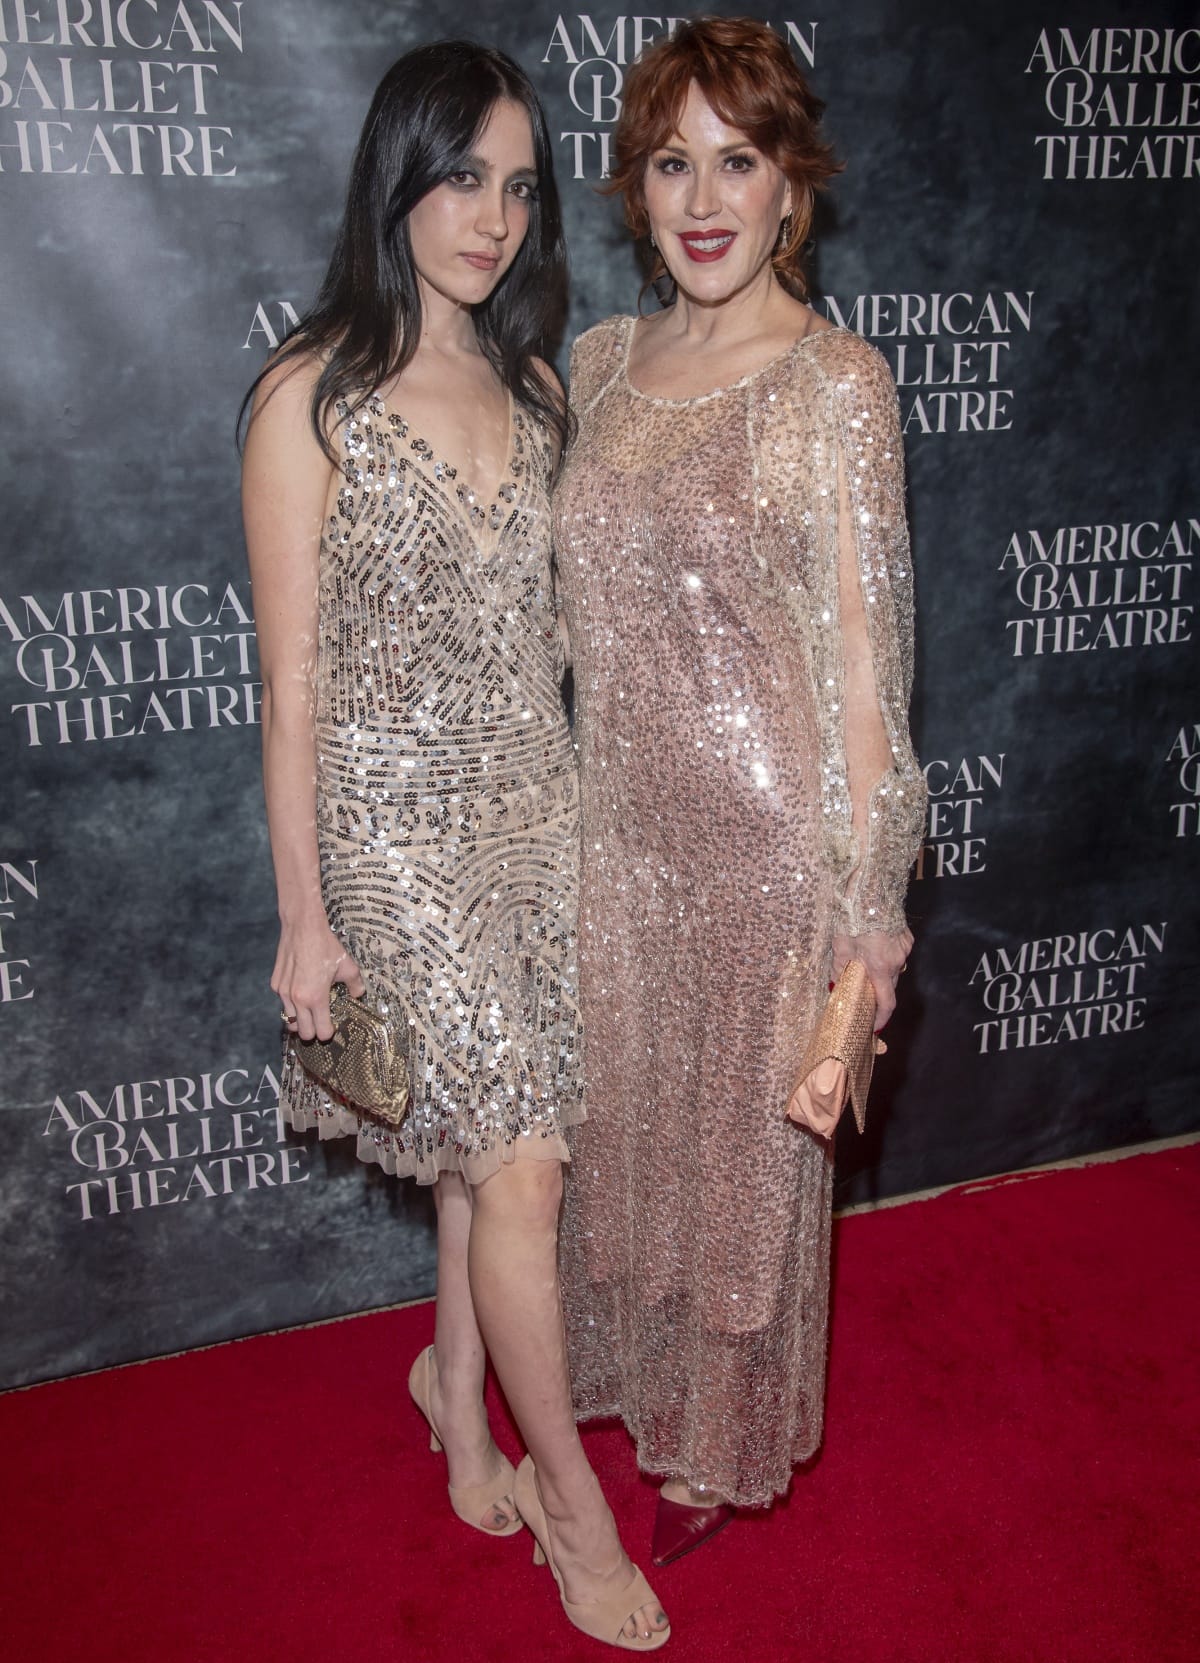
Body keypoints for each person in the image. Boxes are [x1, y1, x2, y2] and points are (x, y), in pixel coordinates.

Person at [242, 41, 668, 1651]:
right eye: (460, 175)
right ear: (396, 174)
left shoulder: (543, 387)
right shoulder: (310, 397)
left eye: (518, 185)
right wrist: (306, 919)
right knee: (522, 1159)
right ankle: (573, 1503)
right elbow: (289, 686)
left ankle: (456, 1395)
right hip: (392, 834)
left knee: (493, 1158)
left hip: (537, 819)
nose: (492, 216)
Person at [554, 16, 926, 1565]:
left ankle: (711, 1445)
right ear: (637, 192)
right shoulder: (591, 364)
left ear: (793, 189)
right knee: (623, 1150)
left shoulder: (836, 386)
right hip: (611, 837)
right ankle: (620, 1381)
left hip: (768, 855)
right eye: (668, 161)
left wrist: (873, 904)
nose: (702, 196)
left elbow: (865, 665)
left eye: (739, 159)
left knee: (733, 1184)